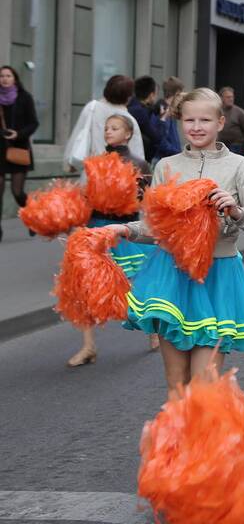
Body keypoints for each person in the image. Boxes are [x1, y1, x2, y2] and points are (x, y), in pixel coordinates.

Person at [111, 88, 244, 391]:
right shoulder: (166, 166)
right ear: (180, 122)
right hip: (173, 278)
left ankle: (202, 438)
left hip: (218, 277)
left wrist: (236, 212)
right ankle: (176, 439)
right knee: (176, 384)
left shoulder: (239, 166)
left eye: (205, 120)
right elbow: (154, 227)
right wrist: (125, 231)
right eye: (189, 120)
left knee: (204, 384)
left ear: (220, 122)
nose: (197, 127)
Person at [67, 113, 157, 367]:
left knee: (136, 286)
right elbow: (86, 198)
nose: (108, 132)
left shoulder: (139, 164)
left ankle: (153, 333)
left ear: (127, 134)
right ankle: (88, 346)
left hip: (125, 232)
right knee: (82, 285)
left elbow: (149, 203)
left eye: (114, 128)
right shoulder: (94, 163)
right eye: (106, 128)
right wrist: (73, 220)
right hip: (95, 229)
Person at [64, 74, 144, 168]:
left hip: (91, 173)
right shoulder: (129, 120)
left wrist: (69, 163)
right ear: (128, 97)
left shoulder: (92, 108)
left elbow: (77, 135)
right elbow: (137, 154)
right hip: (119, 176)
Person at [0, 65, 38, 242]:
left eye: (8, 75)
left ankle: (32, 217)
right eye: (2, 76)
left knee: (17, 192)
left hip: (19, 148)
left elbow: (33, 123)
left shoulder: (24, 98)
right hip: (0, 148)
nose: (5, 79)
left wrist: (19, 134)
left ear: (14, 78)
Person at [127, 76, 164, 163]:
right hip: (138, 159)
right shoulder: (139, 112)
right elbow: (156, 137)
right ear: (151, 95)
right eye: (156, 94)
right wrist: (162, 120)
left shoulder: (131, 105)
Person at [218, 87, 244, 158]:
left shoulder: (239, 112)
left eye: (232, 97)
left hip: (235, 146)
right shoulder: (217, 111)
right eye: (228, 97)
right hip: (220, 145)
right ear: (221, 98)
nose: (231, 99)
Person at [157, 76, 184, 159]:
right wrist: (178, 152)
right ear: (177, 93)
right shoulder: (163, 110)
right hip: (165, 158)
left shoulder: (168, 109)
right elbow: (162, 141)